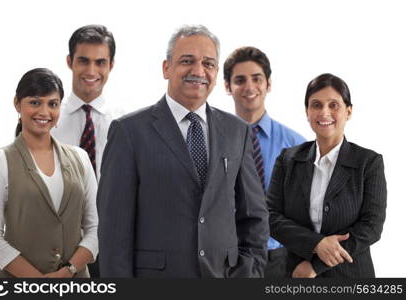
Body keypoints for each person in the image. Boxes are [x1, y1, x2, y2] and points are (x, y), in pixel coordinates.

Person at [97, 25, 269, 278]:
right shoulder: (128, 132)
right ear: (166, 68)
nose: (198, 71)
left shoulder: (238, 131)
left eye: (208, 64)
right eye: (187, 61)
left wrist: (249, 273)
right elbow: (114, 232)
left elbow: (254, 216)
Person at [266, 73, 387, 277]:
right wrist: (316, 244)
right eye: (316, 105)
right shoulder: (288, 159)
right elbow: (270, 216)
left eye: (333, 105)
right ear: (307, 111)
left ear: (349, 111)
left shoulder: (368, 162)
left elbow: (371, 226)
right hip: (294, 273)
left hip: (350, 276)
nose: (324, 112)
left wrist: (316, 265)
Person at [0, 68, 98, 278]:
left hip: (75, 282)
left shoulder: (81, 158)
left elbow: (95, 228)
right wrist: (38, 282)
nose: (45, 112)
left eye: (53, 104)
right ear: (17, 104)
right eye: (35, 102)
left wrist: (69, 271)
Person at [223, 46, 305, 277]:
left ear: (268, 84)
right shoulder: (213, 139)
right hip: (226, 256)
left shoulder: (295, 145)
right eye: (240, 80)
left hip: (278, 257)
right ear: (228, 87)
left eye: (256, 79)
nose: (249, 87)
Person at [52, 24, 117, 277]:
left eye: (100, 62)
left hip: (111, 245)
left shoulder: (126, 124)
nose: (91, 71)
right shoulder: (47, 120)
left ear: (111, 65)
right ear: (70, 61)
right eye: (83, 61)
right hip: (58, 245)